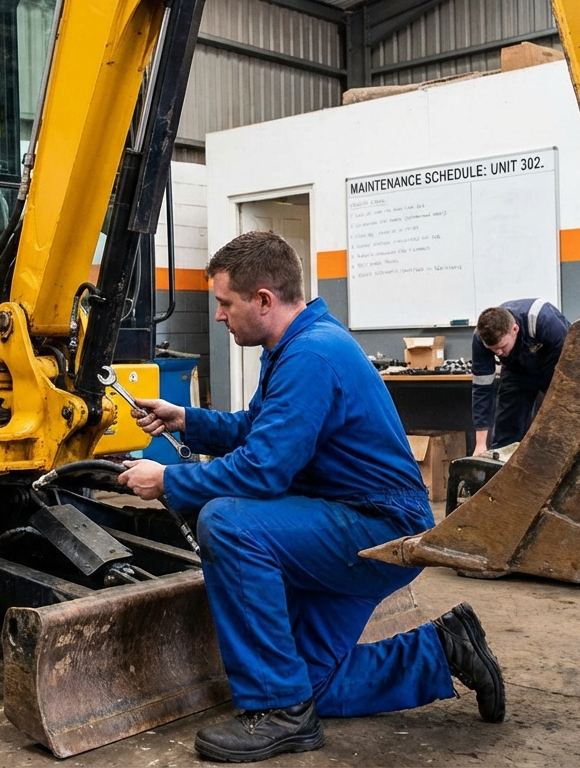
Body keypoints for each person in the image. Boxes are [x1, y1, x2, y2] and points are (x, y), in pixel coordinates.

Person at [117, 231, 506, 764]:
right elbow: (260, 428)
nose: (218, 317)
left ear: (263, 301)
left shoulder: (311, 355)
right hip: (348, 522)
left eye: (224, 303)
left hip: (374, 528)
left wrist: (168, 482)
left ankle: (277, 710)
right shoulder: (295, 345)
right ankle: (444, 648)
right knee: (312, 683)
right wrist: (186, 420)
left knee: (228, 522)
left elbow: (264, 470)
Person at [471, 299, 570, 456]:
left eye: (502, 347)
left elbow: (571, 366)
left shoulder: (545, 320)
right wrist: (480, 445)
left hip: (554, 366)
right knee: (506, 433)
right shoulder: (480, 338)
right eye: (493, 350)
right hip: (516, 371)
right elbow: (482, 390)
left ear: (515, 329)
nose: (498, 354)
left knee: (560, 426)